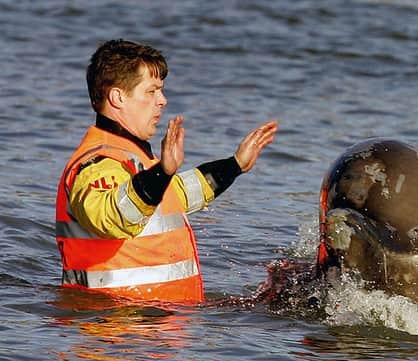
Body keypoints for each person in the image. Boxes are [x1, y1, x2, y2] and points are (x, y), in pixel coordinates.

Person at [55, 39, 278, 304]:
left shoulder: (135, 158)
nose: (162, 100)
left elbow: (175, 197)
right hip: (115, 329)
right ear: (117, 97)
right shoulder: (98, 162)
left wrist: (234, 165)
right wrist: (162, 172)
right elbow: (112, 216)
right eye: (151, 91)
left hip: (152, 328)